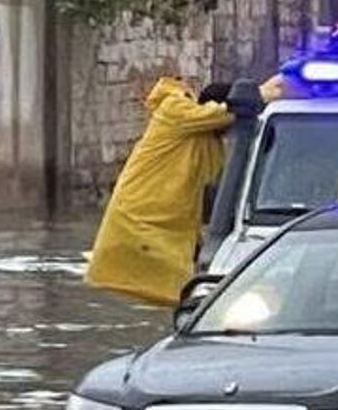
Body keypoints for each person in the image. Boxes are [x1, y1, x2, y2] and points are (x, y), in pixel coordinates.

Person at [85, 77, 232, 306]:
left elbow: (196, 197)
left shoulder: (205, 141)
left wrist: (198, 241)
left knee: (175, 293)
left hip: (168, 226)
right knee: (156, 288)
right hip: (142, 219)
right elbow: (222, 113)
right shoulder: (175, 110)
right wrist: (264, 92)